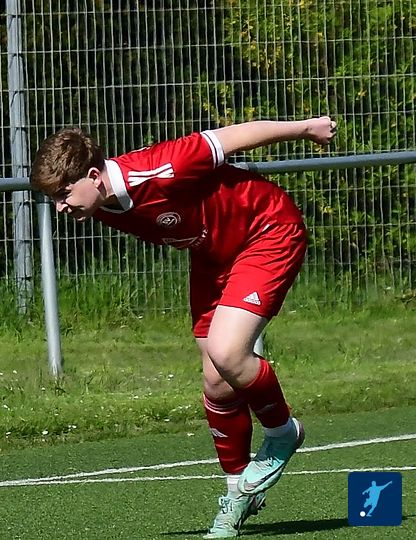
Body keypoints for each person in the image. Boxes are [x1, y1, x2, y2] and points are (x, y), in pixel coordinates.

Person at [30, 116, 337, 538]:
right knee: (216, 380)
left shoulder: (161, 166)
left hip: (265, 230)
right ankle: (238, 494)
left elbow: (234, 137)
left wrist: (306, 128)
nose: (60, 208)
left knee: (228, 352)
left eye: (64, 194)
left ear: (95, 176)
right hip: (213, 257)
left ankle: (282, 432)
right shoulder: (98, 204)